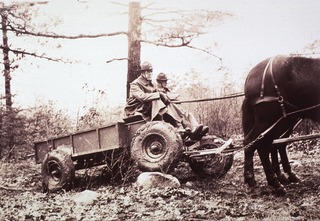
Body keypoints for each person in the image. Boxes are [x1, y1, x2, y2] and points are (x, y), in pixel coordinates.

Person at [124, 61, 206, 140]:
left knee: (169, 103)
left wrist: (169, 98)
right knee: (156, 100)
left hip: (148, 107)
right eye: (148, 72)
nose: (150, 74)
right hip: (136, 109)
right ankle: (165, 126)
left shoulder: (150, 83)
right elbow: (142, 97)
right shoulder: (135, 84)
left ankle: (189, 129)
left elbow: (160, 94)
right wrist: (159, 95)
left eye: (151, 71)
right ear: (142, 73)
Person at [155, 72, 209, 139]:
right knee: (180, 113)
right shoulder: (156, 91)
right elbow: (161, 101)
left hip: (173, 107)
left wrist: (175, 99)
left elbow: (174, 98)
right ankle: (190, 130)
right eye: (164, 81)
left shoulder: (166, 90)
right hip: (165, 111)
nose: (166, 83)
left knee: (188, 113)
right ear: (160, 82)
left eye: (166, 81)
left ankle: (196, 128)